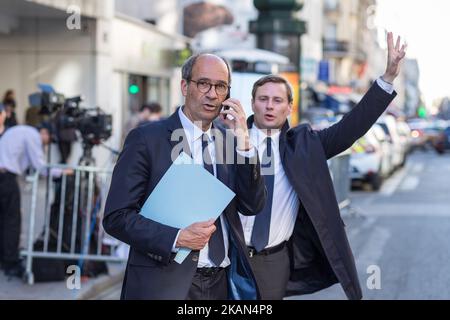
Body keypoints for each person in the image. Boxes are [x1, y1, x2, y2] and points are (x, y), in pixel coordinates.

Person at [239, 32, 406, 300]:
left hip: (272, 261)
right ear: (253, 103)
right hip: (227, 256)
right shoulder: (229, 141)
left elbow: (351, 127)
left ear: (289, 107)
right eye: (263, 99)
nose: (270, 106)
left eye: (278, 100)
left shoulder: (305, 145)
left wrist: (387, 78)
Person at [103, 53, 266, 300]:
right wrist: (177, 237)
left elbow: (252, 205)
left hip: (222, 283)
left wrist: (244, 144)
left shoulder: (230, 143)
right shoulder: (146, 140)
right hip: (165, 282)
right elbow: (116, 217)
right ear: (184, 86)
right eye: (203, 83)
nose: (212, 94)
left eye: (220, 86)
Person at [0, 123, 68, 277]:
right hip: (5, 177)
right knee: (12, 221)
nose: (48, 143)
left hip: (4, 175)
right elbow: (41, 167)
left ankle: (4, 258)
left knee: (3, 219)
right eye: (49, 139)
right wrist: (62, 171)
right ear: (43, 132)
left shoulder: (21, 130)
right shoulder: (32, 135)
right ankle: (10, 262)